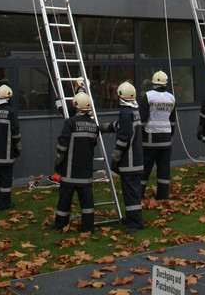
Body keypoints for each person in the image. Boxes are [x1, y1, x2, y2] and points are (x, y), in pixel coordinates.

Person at [100, 81, 144, 231]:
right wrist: (105, 127)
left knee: (131, 192)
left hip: (129, 161)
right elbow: (121, 126)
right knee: (132, 191)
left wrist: (116, 155)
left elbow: (124, 136)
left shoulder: (125, 113)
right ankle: (131, 217)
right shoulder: (134, 112)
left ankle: (136, 223)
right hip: (137, 159)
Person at [52, 91, 99, 232]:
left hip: (69, 171)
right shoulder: (94, 125)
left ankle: (60, 225)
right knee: (87, 202)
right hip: (86, 171)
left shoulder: (70, 123)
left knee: (64, 200)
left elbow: (62, 146)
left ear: (76, 106)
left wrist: (58, 163)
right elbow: (93, 144)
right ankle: (88, 227)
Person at [139, 70, 176, 200]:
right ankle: (162, 196)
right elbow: (172, 120)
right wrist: (171, 134)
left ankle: (139, 194)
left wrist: (140, 134)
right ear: (166, 83)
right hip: (166, 138)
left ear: (153, 82)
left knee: (145, 168)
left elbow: (142, 118)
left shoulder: (148, 96)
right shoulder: (171, 98)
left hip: (150, 139)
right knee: (164, 169)